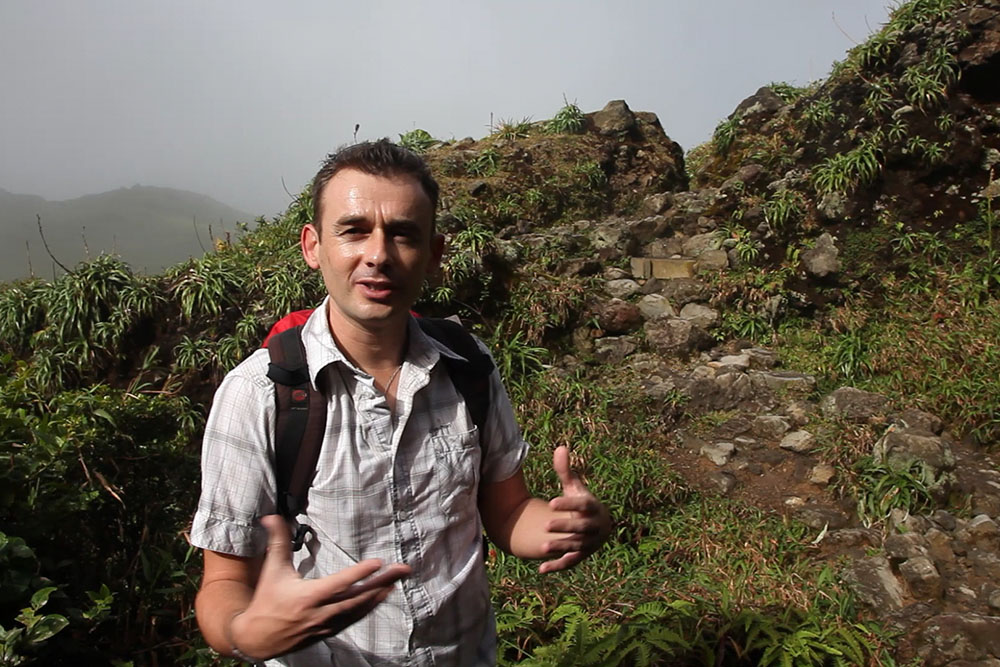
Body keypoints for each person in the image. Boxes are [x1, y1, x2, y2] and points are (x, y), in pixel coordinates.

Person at [190, 139, 611, 666]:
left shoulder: (466, 366)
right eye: (354, 230)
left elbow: (508, 514)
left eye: (404, 234)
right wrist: (246, 633)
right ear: (313, 246)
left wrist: (562, 525)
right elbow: (224, 581)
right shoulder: (260, 394)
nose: (378, 255)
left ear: (433, 254)